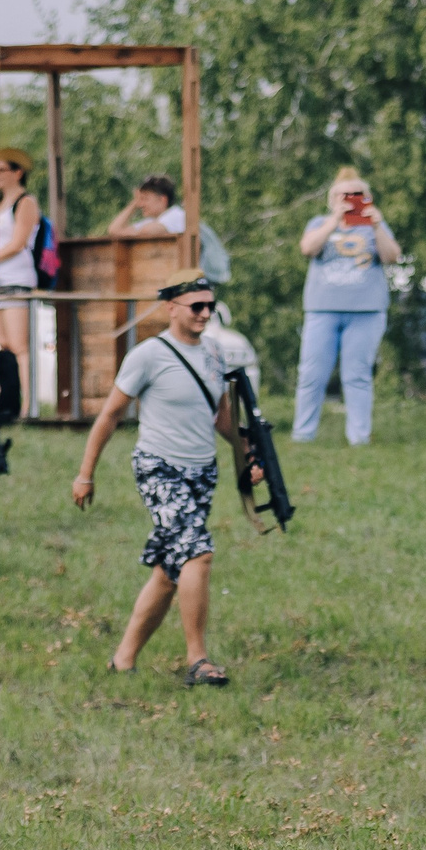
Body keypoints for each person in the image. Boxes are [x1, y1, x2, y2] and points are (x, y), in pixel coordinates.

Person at [69, 279, 264, 686]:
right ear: (171, 307)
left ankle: (123, 659)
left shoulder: (214, 352)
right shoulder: (148, 356)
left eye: (209, 305)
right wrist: (86, 474)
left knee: (169, 570)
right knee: (198, 553)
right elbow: (109, 416)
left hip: (201, 471)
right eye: (196, 306)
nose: (205, 313)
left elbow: (221, 417)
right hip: (159, 468)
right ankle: (198, 660)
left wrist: (248, 453)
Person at [291, 167, 401, 444]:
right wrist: (334, 222)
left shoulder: (376, 226)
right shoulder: (319, 223)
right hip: (322, 310)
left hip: (366, 311)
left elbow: (392, 257)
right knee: (311, 375)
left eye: (357, 195)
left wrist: (376, 226)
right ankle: (303, 436)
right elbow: (307, 249)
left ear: (367, 198)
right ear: (333, 199)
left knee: (357, 375)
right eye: (344, 195)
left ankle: (359, 438)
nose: (350, 199)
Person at [0, 147, 44, 419]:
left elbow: (17, 243)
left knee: (19, 345)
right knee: (0, 342)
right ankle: (4, 403)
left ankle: (29, 407)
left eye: (2, 169)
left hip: (16, 279)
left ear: (18, 172)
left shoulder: (26, 202)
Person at [106, 175, 186, 239]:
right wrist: (134, 203)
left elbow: (147, 231)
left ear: (162, 200)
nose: (141, 205)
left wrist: (133, 234)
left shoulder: (178, 215)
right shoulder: (152, 221)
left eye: (145, 199)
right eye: (140, 200)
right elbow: (114, 231)